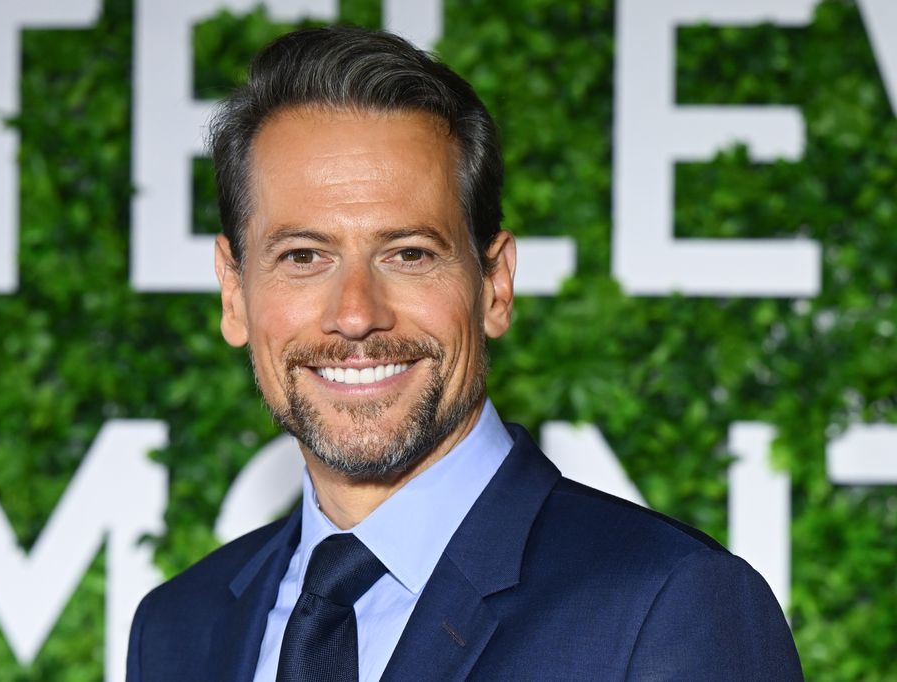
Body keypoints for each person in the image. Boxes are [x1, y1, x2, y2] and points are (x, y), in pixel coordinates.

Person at [126, 26, 803, 681]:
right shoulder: (178, 629)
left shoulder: (669, 607)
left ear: (496, 286)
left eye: (410, 254)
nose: (356, 313)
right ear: (234, 292)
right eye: (304, 256)